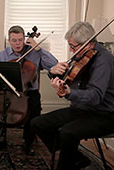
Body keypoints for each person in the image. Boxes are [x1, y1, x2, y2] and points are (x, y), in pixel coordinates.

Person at [31, 21, 114, 170]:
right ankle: (76, 158)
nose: (70, 50)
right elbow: (66, 77)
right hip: (81, 109)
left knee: (68, 133)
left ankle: (66, 164)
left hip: (104, 113)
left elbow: (95, 96)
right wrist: (53, 71)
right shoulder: (82, 56)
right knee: (38, 123)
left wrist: (69, 92)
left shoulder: (104, 60)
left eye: (73, 46)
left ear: (87, 44)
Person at [0, 25, 60, 154]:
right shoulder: (3, 55)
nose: (17, 43)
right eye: (14, 40)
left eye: (20, 40)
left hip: (28, 92)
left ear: (24, 38)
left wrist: (39, 48)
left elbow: (53, 64)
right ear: (9, 41)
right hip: (6, 92)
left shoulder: (34, 52)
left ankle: (27, 143)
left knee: (34, 107)